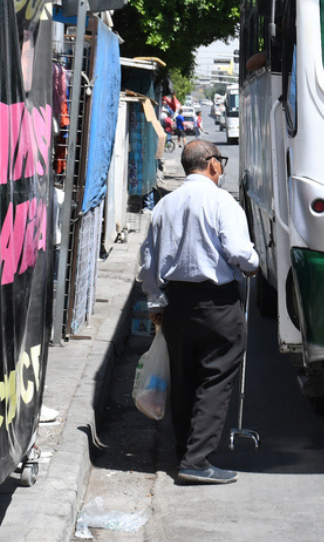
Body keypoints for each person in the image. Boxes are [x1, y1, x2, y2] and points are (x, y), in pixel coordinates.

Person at [138, 140, 260, 485]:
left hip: (177, 303)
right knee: (216, 378)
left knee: (184, 378)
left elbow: (148, 261)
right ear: (212, 164)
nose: (222, 166)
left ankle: (183, 452)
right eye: (220, 161)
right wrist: (253, 265)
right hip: (217, 303)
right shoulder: (223, 201)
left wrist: (155, 301)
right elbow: (240, 252)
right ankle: (196, 460)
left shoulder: (165, 205)